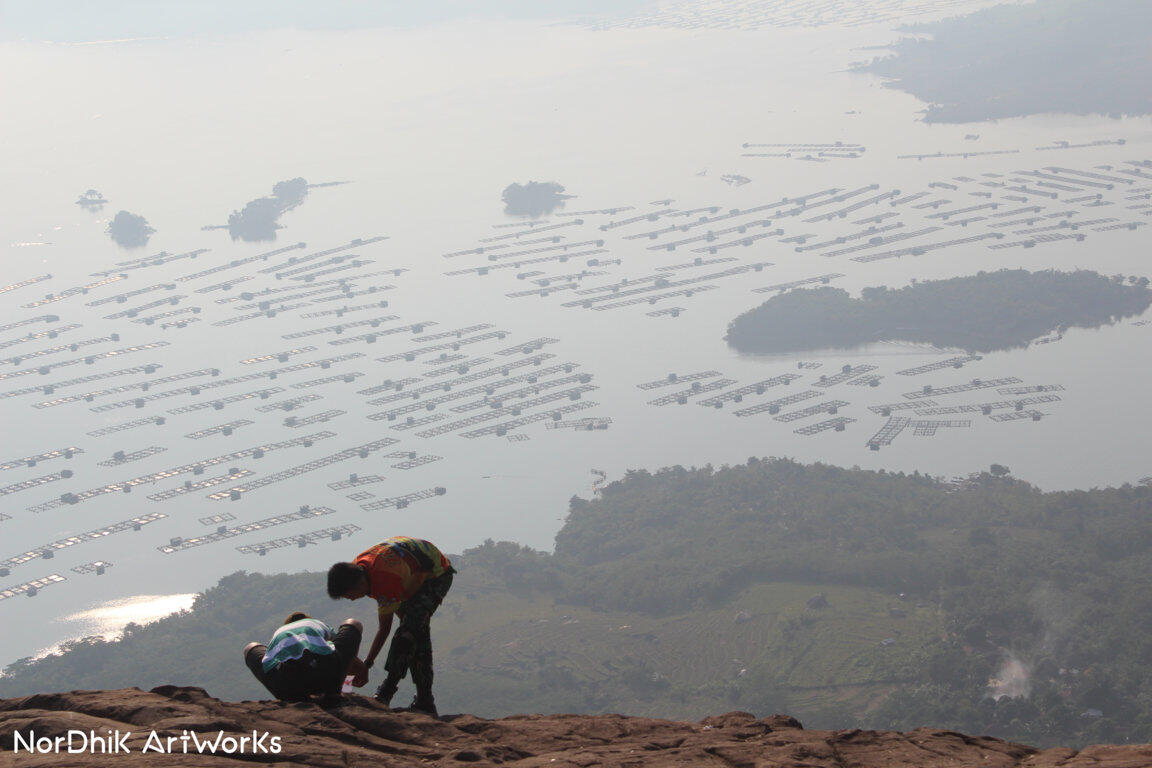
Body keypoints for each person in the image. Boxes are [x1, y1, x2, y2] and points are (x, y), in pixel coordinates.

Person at [327, 536, 454, 716]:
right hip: (411, 575)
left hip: (436, 575)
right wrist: (367, 664)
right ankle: (425, 700)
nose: (351, 599)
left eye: (350, 595)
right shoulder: (360, 568)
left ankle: (387, 690)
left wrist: (366, 665)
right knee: (415, 633)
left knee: (408, 634)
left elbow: (385, 628)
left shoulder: (384, 581)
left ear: (359, 584)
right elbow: (385, 627)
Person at [243, 611, 368, 702]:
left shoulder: (280, 632)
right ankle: (336, 690)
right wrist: (360, 670)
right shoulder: (314, 623)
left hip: (288, 688)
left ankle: (297, 695)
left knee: (250, 647)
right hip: (328, 678)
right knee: (353, 623)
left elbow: (269, 664)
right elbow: (344, 652)